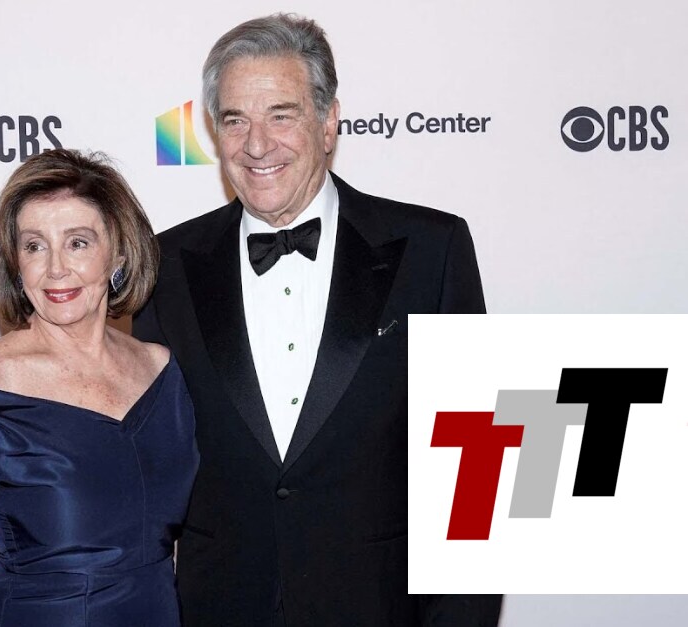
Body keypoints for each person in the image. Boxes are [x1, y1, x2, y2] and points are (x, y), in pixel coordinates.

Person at [133, 13, 502, 627]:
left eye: (281, 115)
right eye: (235, 120)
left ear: (329, 122)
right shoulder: (163, 267)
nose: (257, 144)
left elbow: (477, 477)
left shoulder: (431, 249)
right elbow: (142, 464)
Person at [0, 148, 198, 627]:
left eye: (77, 243)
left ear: (118, 253)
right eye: (34, 246)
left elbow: (177, 539)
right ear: (15, 264)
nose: (55, 268)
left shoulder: (161, 369)